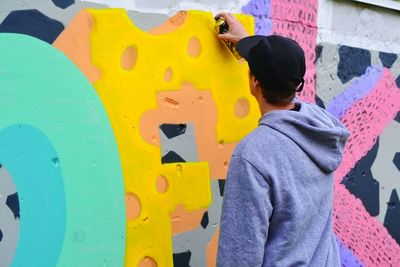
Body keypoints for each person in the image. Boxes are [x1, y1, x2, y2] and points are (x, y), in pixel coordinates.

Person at [215, 13, 349, 267]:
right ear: (295, 84)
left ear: (254, 81)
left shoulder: (253, 155)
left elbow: (239, 256)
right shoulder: (320, 127)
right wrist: (248, 44)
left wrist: (256, 54)